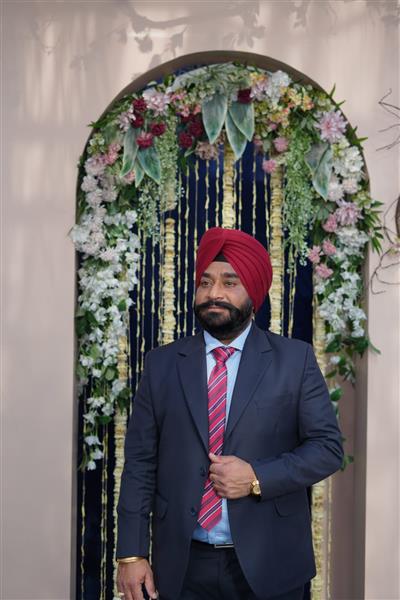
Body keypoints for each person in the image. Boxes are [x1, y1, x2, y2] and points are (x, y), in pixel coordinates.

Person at [116, 227, 343, 600]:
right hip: (182, 565)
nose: (214, 293)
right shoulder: (162, 365)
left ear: (253, 293)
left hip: (271, 562)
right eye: (205, 282)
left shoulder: (294, 360)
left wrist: (256, 477)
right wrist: (131, 553)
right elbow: (140, 463)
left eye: (229, 282)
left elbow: (327, 449)